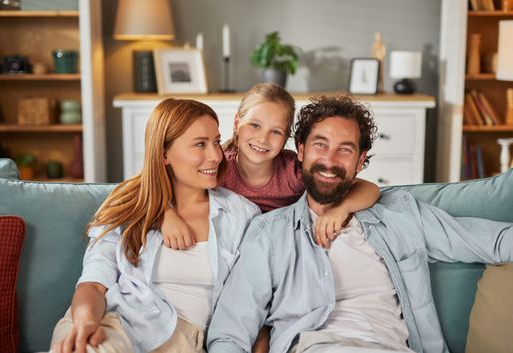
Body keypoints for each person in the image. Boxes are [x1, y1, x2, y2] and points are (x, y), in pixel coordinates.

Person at [207, 95, 513, 353]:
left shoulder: (402, 215)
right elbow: (229, 333)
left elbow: (498, 241)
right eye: (320, 145)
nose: (329, 160)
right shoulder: (269, 233)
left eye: (345, 149)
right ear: (300, 151)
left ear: (360, 159)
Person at [50, 99, 261, 353]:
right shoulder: (128, 205)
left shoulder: (240, 215)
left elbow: (255, 303)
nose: (216, 155)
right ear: (163, 154)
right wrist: (85, 323)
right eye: (200, 144)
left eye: (216, 141)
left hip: (181, 339)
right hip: (108, 322)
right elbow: (94, 282)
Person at [161, 83, 380, 250]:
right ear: (237, 123)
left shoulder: (292, 171)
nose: (262, 139)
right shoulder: (217, 164)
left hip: (278, 244)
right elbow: (155, 182)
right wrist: (166, 214)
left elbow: (369, 189)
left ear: (287, 138)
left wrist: (340, 209)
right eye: (254, 125)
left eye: (275, 132)